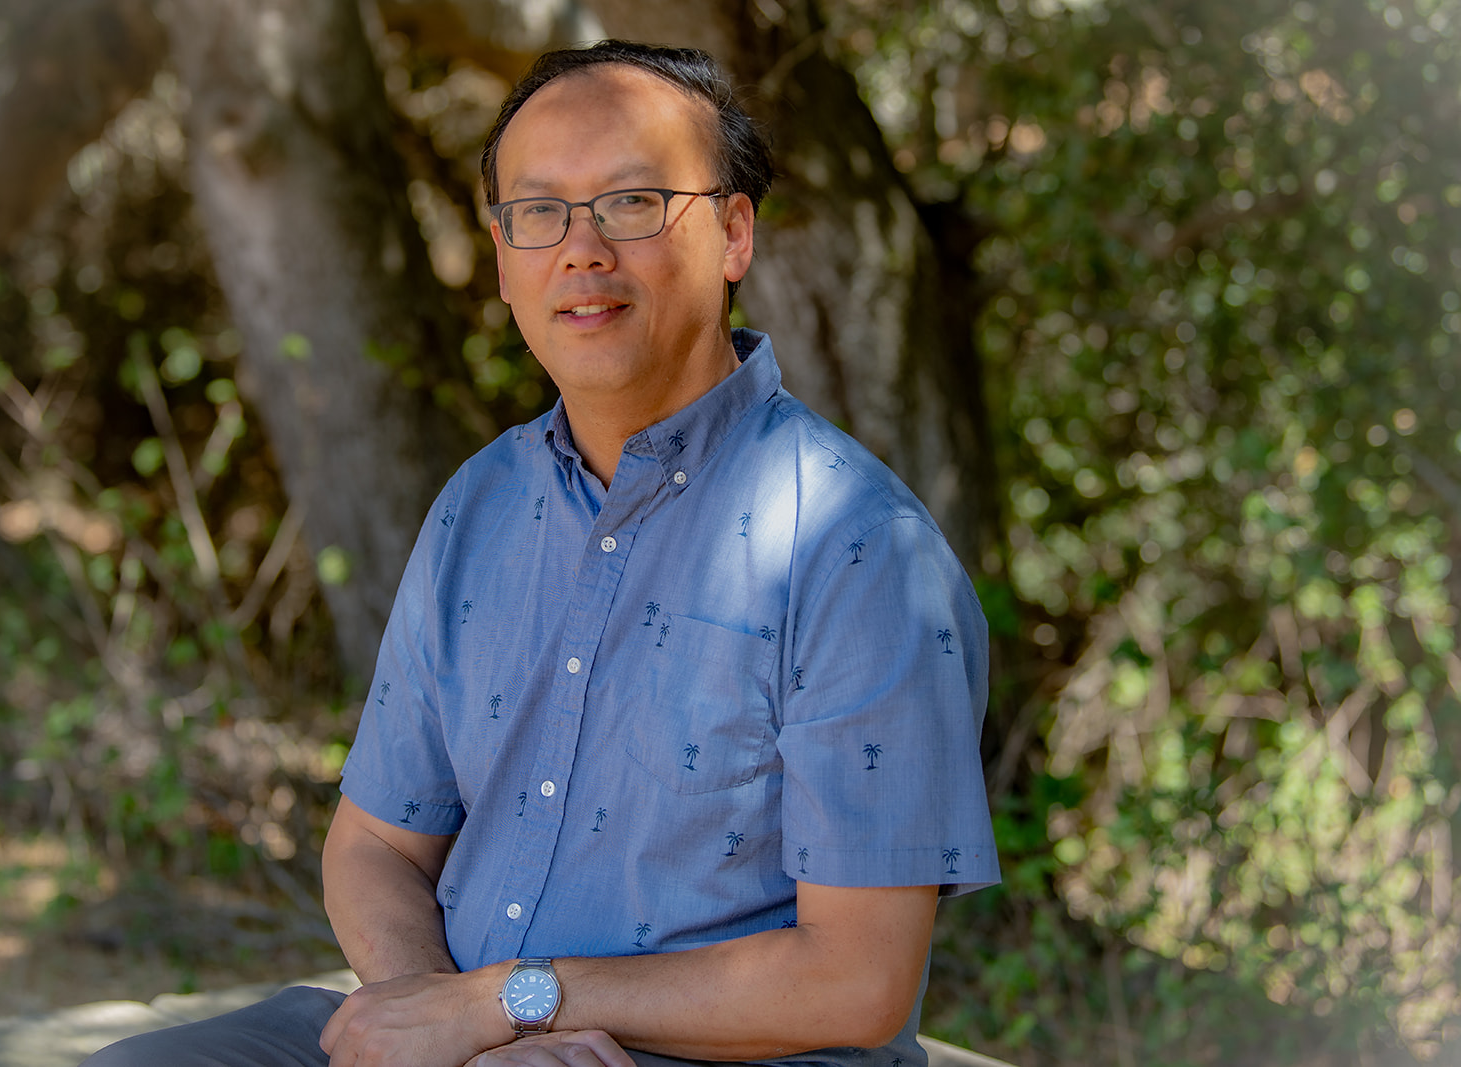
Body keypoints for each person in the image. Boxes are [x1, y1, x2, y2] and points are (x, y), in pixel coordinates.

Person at [82, 38, 997, 1067]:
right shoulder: (480, 505)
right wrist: (446, 1018)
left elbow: (855, 981)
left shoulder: (859, 548)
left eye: (632, 202)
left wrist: (514, 1004)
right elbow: (376, 840)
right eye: (539, 211)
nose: (581, 248)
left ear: (734, 233)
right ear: (503, 254)